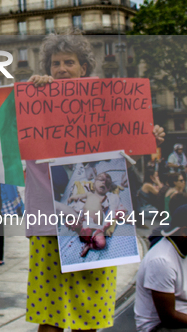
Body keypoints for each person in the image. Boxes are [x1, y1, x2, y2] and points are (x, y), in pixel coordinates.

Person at [24, 31, 166, 332]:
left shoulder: (105, 102)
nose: (61, 69)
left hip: (96, 226)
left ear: (84, 68)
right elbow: (15, 117)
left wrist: (147, 135)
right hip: (50, 222)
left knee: (88, 314)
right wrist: (34, 91)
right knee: (49, 315)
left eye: (68, 62)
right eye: (55, 64)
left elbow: (126, 144)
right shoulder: (35, 99)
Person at [135, 204, 187, 332]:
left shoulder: (182, 248)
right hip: (158, 327)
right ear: (184, 232)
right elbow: (169, 318)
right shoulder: (162, 261)